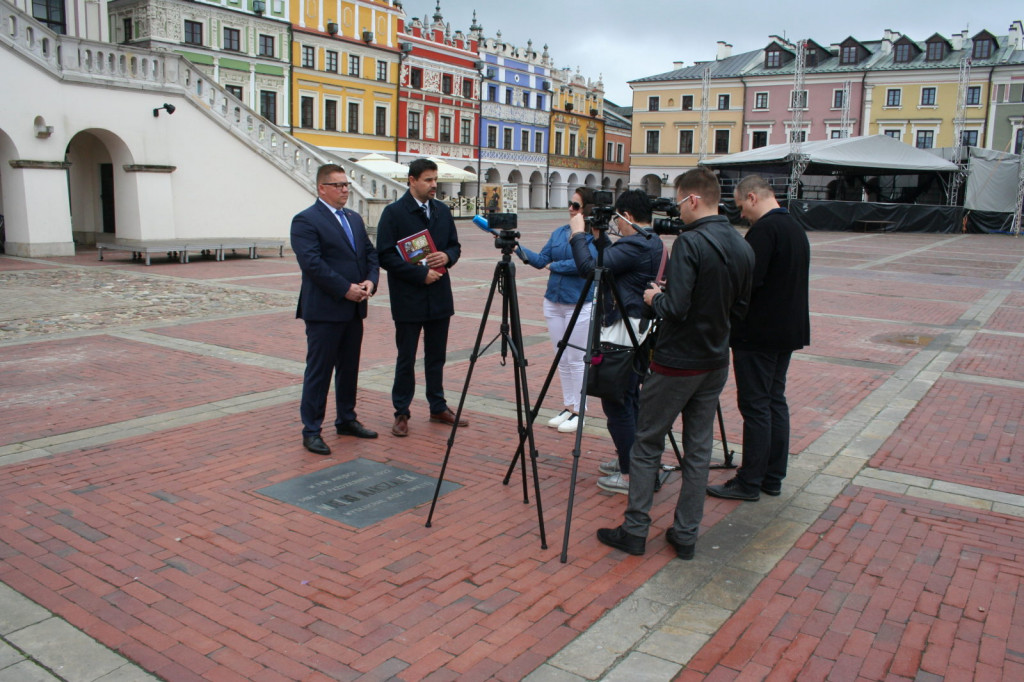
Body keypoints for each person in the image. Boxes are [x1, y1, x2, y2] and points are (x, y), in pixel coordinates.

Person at [596, 168, 754, 560]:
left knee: (647, 443)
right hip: (714, 358)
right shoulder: (742, 245)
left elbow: (676, 309)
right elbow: (741, 307)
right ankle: (685, 533)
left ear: (694, 199)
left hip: (678, 361)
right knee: (697, 450)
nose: (678, 209)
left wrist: (654, 298)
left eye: (680, 200)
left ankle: (635, 529)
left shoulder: (691, 242)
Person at [706, 175, 810, 501]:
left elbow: (747, 281)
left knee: (756, 406)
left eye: (741, 208)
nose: (742, 216)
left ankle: (750, 480)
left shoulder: (765, 230)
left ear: (752, 198)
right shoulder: (794, 227)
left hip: (760, 332)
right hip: (786, 330)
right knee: (774, 402)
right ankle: (771, 476)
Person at [568, 189, 665, 494]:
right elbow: (609, 260)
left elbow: (590, 269)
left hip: (623, 331)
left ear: (629, 217)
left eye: (619, 220)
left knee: (617, 401)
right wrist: (598, 237)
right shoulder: (653, 240)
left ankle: (630, 474)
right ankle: (633, 460)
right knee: (630, 398)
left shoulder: (636, 243)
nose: (617, 226)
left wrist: (578, 235)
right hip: (639, 328)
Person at [291, 164, 379, 455]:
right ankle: (311, 430)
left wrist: (369, 281)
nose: (344, 190)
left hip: (354, 309)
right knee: (319, 371)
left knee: (349, 369)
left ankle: (346, 419)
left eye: (346, 185)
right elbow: (312, 264)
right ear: (322, 188)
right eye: (339, 185)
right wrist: (345, 288)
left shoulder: (353, 218)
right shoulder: (305, 221)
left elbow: (369, 254)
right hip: (325, 310)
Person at [377, 158, 465, 437]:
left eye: (435, 179)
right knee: (406, 357)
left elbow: (455, 245)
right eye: (428, 179)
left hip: (439, 295)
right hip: (408, 297)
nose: (434, 185)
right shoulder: (393, 213)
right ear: (412, 181)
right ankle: (401, 412)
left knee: (436, 356)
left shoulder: (441, 210)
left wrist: (448, 256)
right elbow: (385, 255)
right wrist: (418, 275)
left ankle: (437, 406)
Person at [518, 188, 597, 434]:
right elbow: (542, 259)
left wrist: (555, 265)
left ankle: (580, 410)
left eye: (576, 205)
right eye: (571, 204)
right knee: (561, 358)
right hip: (554, 301)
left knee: (577, 359)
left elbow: (585, 264)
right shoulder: (560, 232)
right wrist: (518, 248)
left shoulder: (593, 236)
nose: (571, 209)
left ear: (587, 208)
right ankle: (568, 405)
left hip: (580, 303)